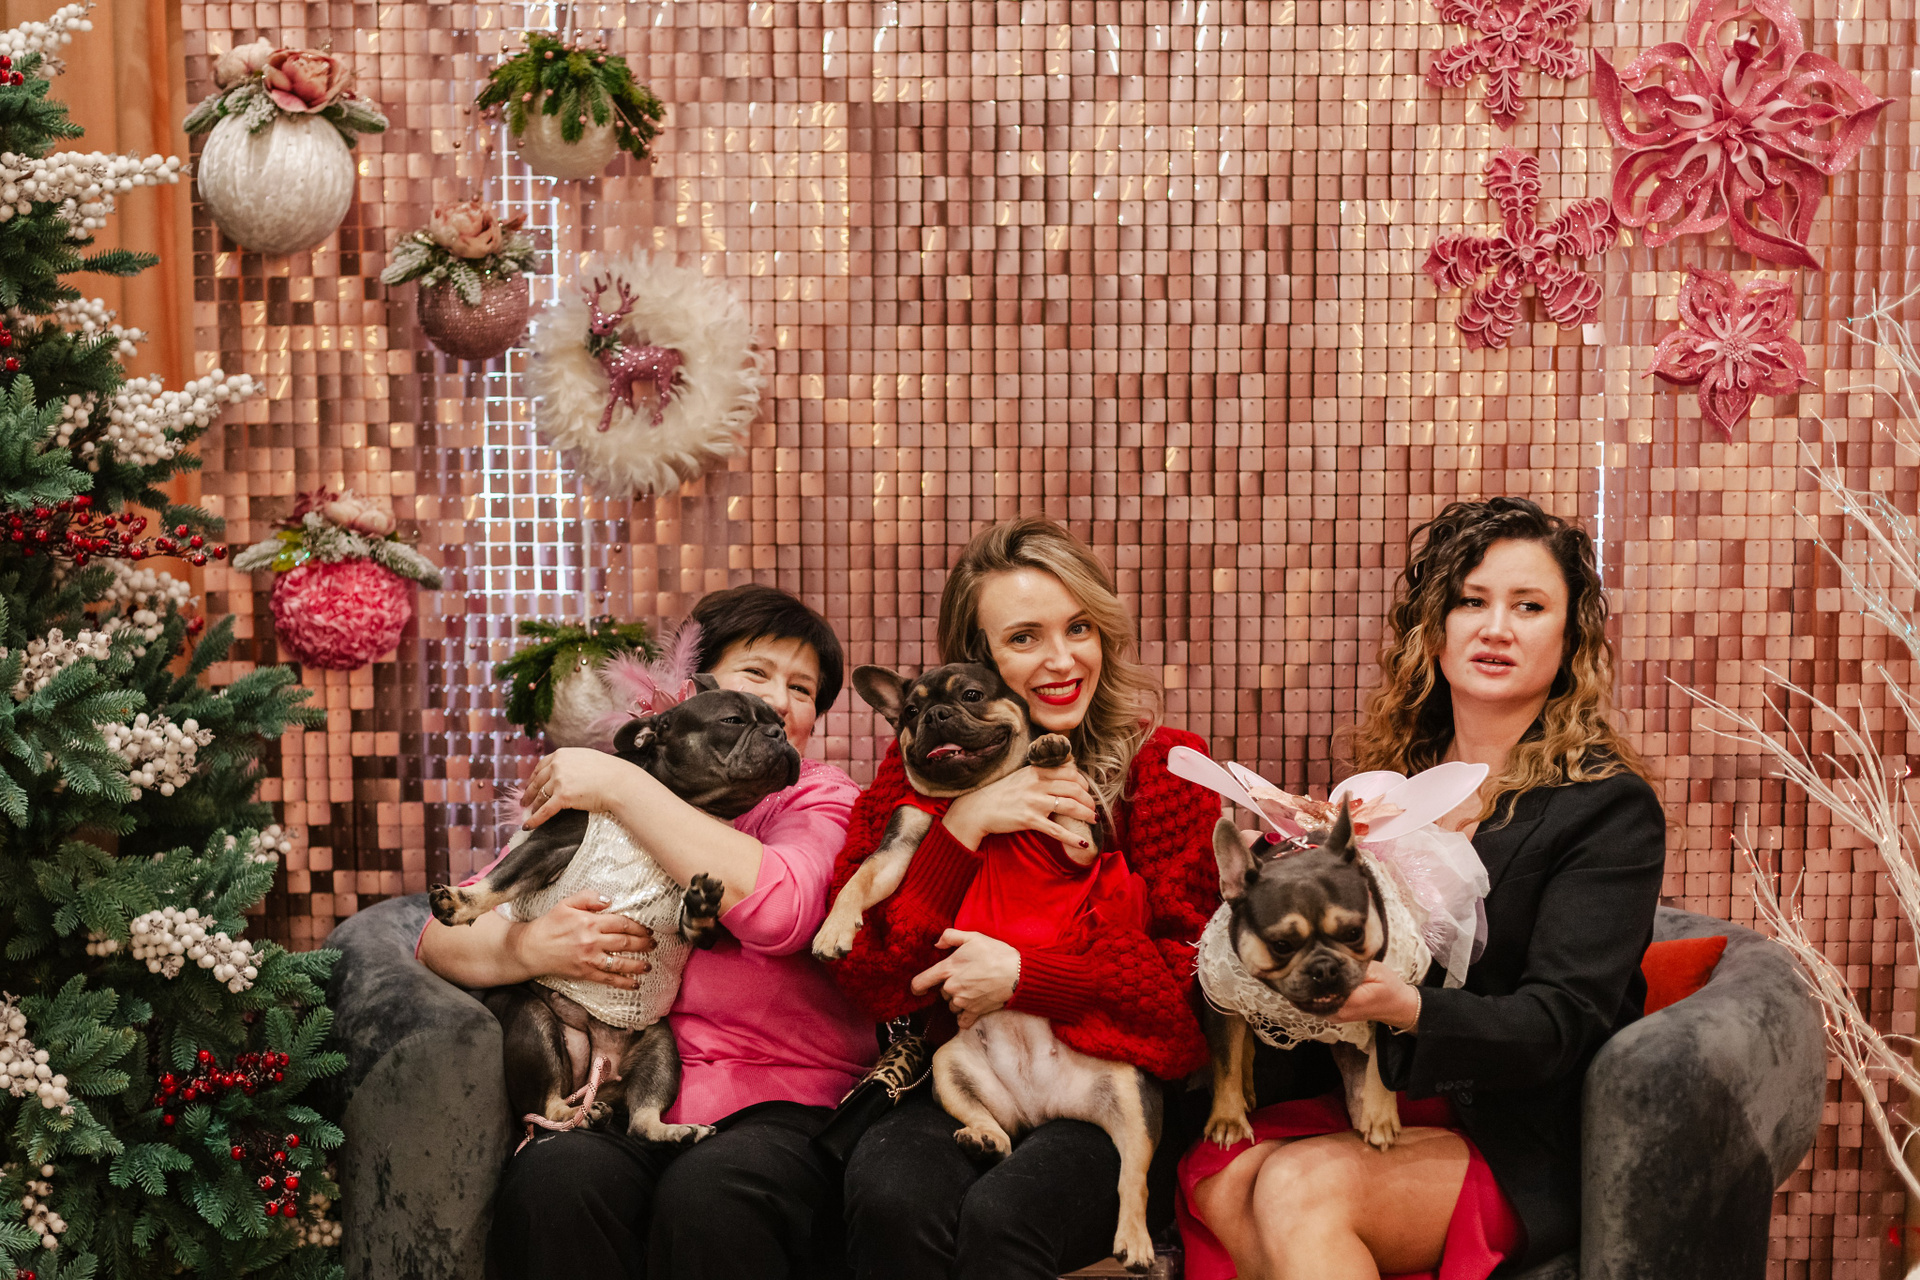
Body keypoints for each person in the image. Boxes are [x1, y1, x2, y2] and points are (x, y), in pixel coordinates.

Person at [1178, 496, 1668, 1280]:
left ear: (1570, 639)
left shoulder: (1606, 807)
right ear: (1434, 628)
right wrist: (1294, 865)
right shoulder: (1391, 790)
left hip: (1516, 1129)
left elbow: (1562, 1023)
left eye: (1529, 606)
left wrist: (1407, 1007)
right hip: (1391, 1095)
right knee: (1224, 1176)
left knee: (1300, 1187)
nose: (1496, 627)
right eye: (1471, 601)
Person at [416, 583, 873, 1280]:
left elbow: (782, 913)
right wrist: (531, 947)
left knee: (711, 1198)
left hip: (780, 1103)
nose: (780, 703)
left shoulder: (822, 800)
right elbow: (441, 937)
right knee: (555, 1185)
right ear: (694, 689)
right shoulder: (606, 799)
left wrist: (623, 788)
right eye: (756, 674)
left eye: (803, 690)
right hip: (623, 1090)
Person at [827, 515, 1220, 1280]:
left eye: (1079, 628)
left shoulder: (1165, 767)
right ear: (979, 661)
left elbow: (1191, 993)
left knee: (1005, 1216)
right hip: (979, 1072)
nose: (1062, 660)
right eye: (1024, 638)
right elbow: (868, 977)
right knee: (890, 1195)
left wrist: (1029, 977)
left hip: (1114, 1085)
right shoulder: (919, 770)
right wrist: (964, 827)